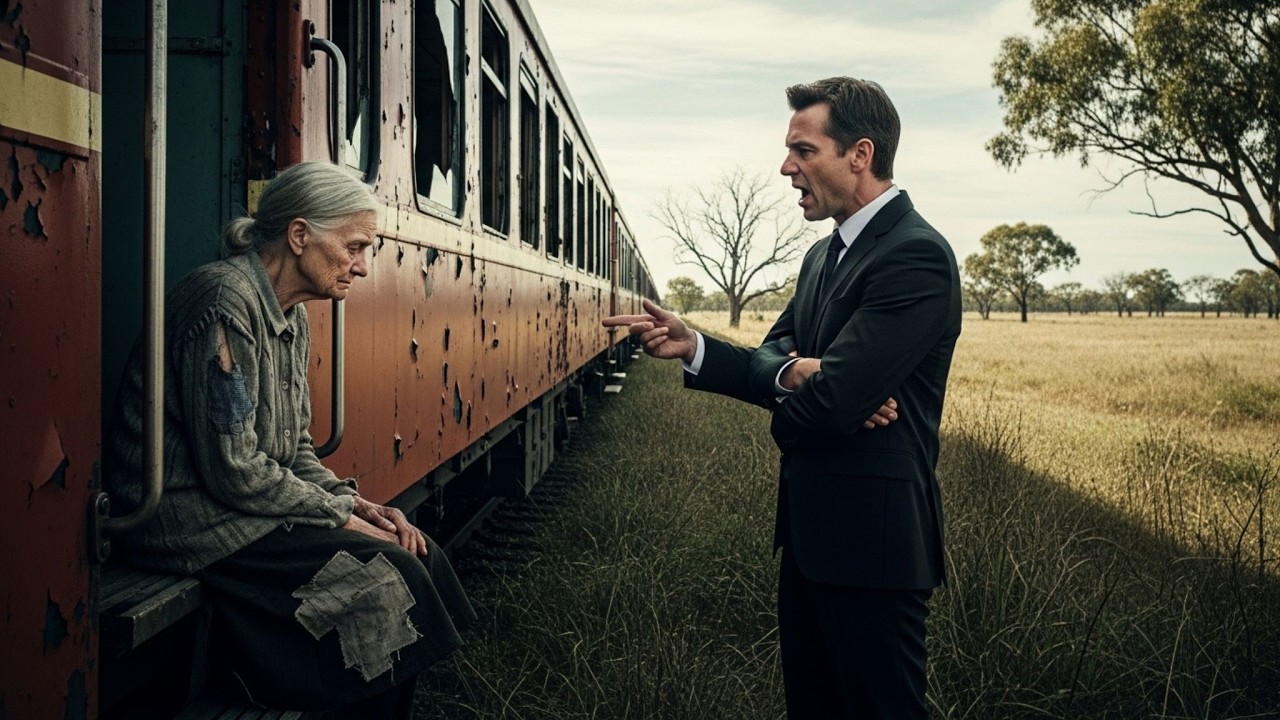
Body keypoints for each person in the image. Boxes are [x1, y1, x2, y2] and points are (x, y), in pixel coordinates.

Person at [603, 77, 961, 719]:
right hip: (809, 543)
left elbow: (832, 406)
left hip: (874, 554)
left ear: (860, 154)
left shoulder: (916, 256)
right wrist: (755, 361)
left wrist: (816, 391)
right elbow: (778, 358)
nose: (786, 167)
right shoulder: (823, 257)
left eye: (803, 150)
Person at [105, 161, 475, 719]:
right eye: (354, 247)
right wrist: (337, 516)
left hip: (239, 509)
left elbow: (294, 446)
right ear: (300, 236)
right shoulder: (223, 302)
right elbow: (235, 467)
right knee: (386, 582)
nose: (364, 267)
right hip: (190, 518)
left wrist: (357, 505)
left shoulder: (290, 313)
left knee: (419, 555)